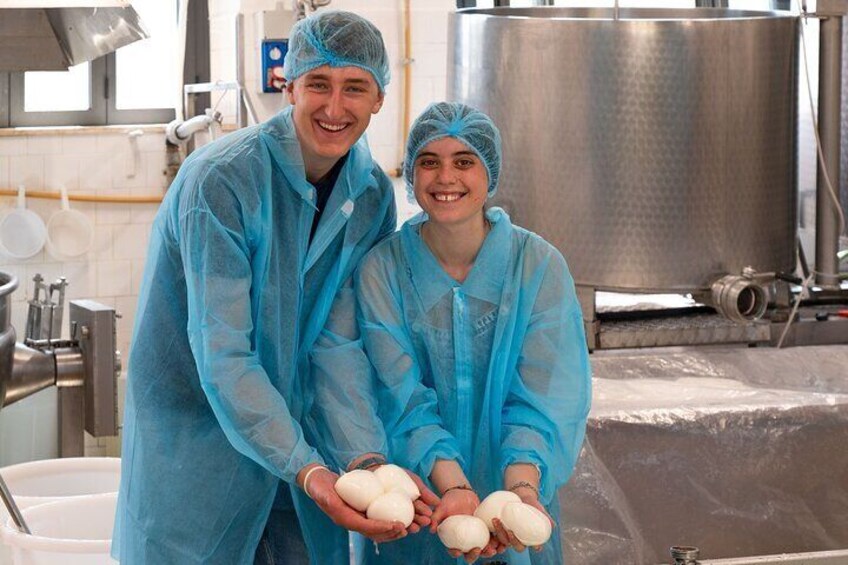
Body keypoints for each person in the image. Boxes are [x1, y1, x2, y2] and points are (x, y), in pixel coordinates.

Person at [112, 11, 435, 565]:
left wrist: (362, 461)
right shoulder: (222, 182)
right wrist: (308, 470)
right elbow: (224, 354)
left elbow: (339, 347)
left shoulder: (372, 198)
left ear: (379, 97)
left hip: (304, 454)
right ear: (290, 87)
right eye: (318, 85)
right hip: (199, 453)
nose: (335, 108)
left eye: (354, 88)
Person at [350, 102, 592, 564]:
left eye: (464, 161)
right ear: (411, 174)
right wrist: (454, 487)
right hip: (417, 511)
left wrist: (521, 490)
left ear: (490, 173)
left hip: (513, 513)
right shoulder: (383, 269)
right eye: (429, 162)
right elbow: (397, 395)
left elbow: (544, 398)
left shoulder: (536, 267)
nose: (446, 178)